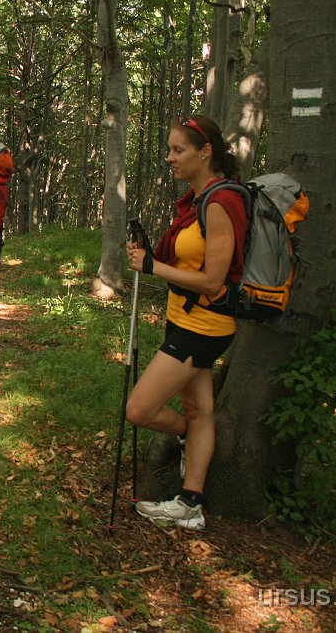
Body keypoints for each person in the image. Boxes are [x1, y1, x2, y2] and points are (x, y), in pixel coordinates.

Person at [126, 114, 247, 530]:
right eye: (169, 150)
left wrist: (153, 267)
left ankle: (184, 438)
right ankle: (190, 503)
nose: (170, 158)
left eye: (179, 150)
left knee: (139, 408)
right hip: (185, 319)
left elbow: (213, 281)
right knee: (198, 410)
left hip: (204, 327)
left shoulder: (221, 204)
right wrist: (153, 255)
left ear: (205, 152)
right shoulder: (198, 201)